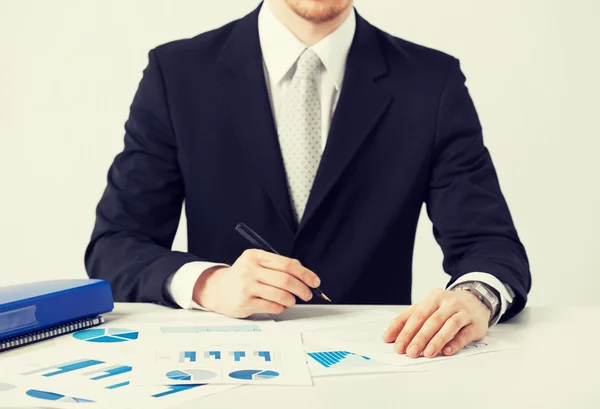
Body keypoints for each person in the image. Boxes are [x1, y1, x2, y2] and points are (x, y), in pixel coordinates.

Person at [85, 0, 531, 359]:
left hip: (378, 366)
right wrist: (209, 283)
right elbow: (116, 244)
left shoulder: (430, 82)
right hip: (222, 365)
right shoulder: (178, 73)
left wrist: (477, 296)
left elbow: (488, 242)